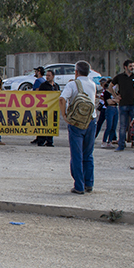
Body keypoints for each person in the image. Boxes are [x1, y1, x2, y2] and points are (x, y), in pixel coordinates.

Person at [59, 61, 97, 194]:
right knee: (88, 154)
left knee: (76, 155)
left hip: (76, 123)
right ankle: (89, 183)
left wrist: (64, 115)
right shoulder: (93, 84)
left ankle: (79, 186)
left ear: (76, 72)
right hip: (91, 120)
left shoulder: (72, 84)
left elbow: (62, 99)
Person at [111, 59, 134, 152]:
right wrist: (115, 96)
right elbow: (110, 86)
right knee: (123, 126)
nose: (132, 68)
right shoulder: (119, 77)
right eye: (130, 66)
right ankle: (121, 145)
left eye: (133, 66)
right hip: (123, 104)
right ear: (125, 67)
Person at [35, 69, 59, 146]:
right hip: (44, 108)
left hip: (53, 108)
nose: (47, 77)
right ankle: (41, 141)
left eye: (49, 75)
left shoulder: (56, 86)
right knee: (43, 124)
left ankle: (49, 141)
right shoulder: (43, 85)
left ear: (53, 76)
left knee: (51, 125)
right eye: (47, 75)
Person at [100, 78, 119, 147]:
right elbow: (109, 102)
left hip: (115, 109)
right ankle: (104, 141)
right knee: (109, 126)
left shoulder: (114, 93)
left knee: (114, 126)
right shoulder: (106, 93)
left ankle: (110, 141)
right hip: (109, 109)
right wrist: (115, 100)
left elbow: (119, 100)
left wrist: (114, 100)